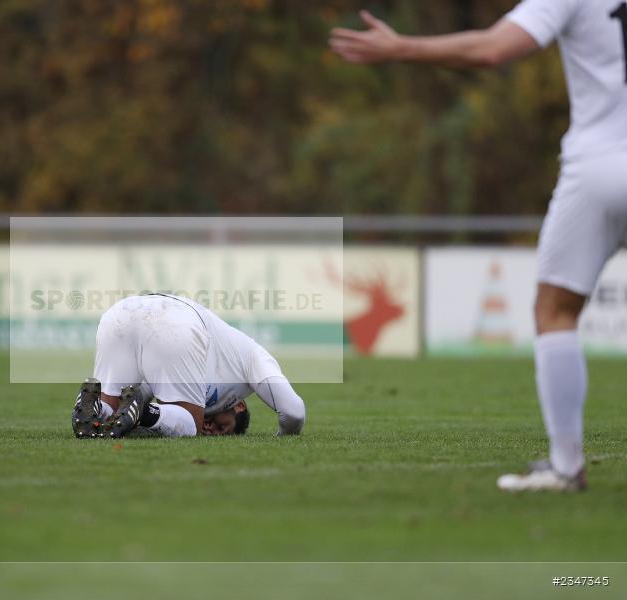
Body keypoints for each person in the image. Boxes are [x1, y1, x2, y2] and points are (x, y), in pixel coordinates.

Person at [330, 1, 627, 491]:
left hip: (598, 166)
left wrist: (400, 47)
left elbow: (492, 49)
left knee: (555, 311)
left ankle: (566, 466)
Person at [71, 293, 306, 438]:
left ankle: (93, 406)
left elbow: (134, 395)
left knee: (107, 417)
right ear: (240, 407)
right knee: (189, 425)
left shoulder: (223, 352)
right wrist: (282, 437)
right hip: (178, 321)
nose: (210, 429)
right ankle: (145, 414)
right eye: (222, 428)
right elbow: (294, 412)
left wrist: (129, 411)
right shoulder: (253, 356)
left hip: (121, 313)